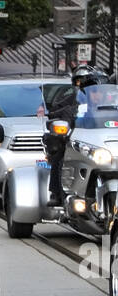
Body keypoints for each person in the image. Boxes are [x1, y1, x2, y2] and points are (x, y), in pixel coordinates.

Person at [46, 67, 100, 205]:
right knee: (60, 157)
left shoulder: (106, 102)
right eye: (79, 82)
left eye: (88, 85)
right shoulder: (72, 100)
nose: (82, 85)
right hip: (77, 141)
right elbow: (55, 110)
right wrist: (58, 114)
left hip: (100, 143)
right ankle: (57, 193)